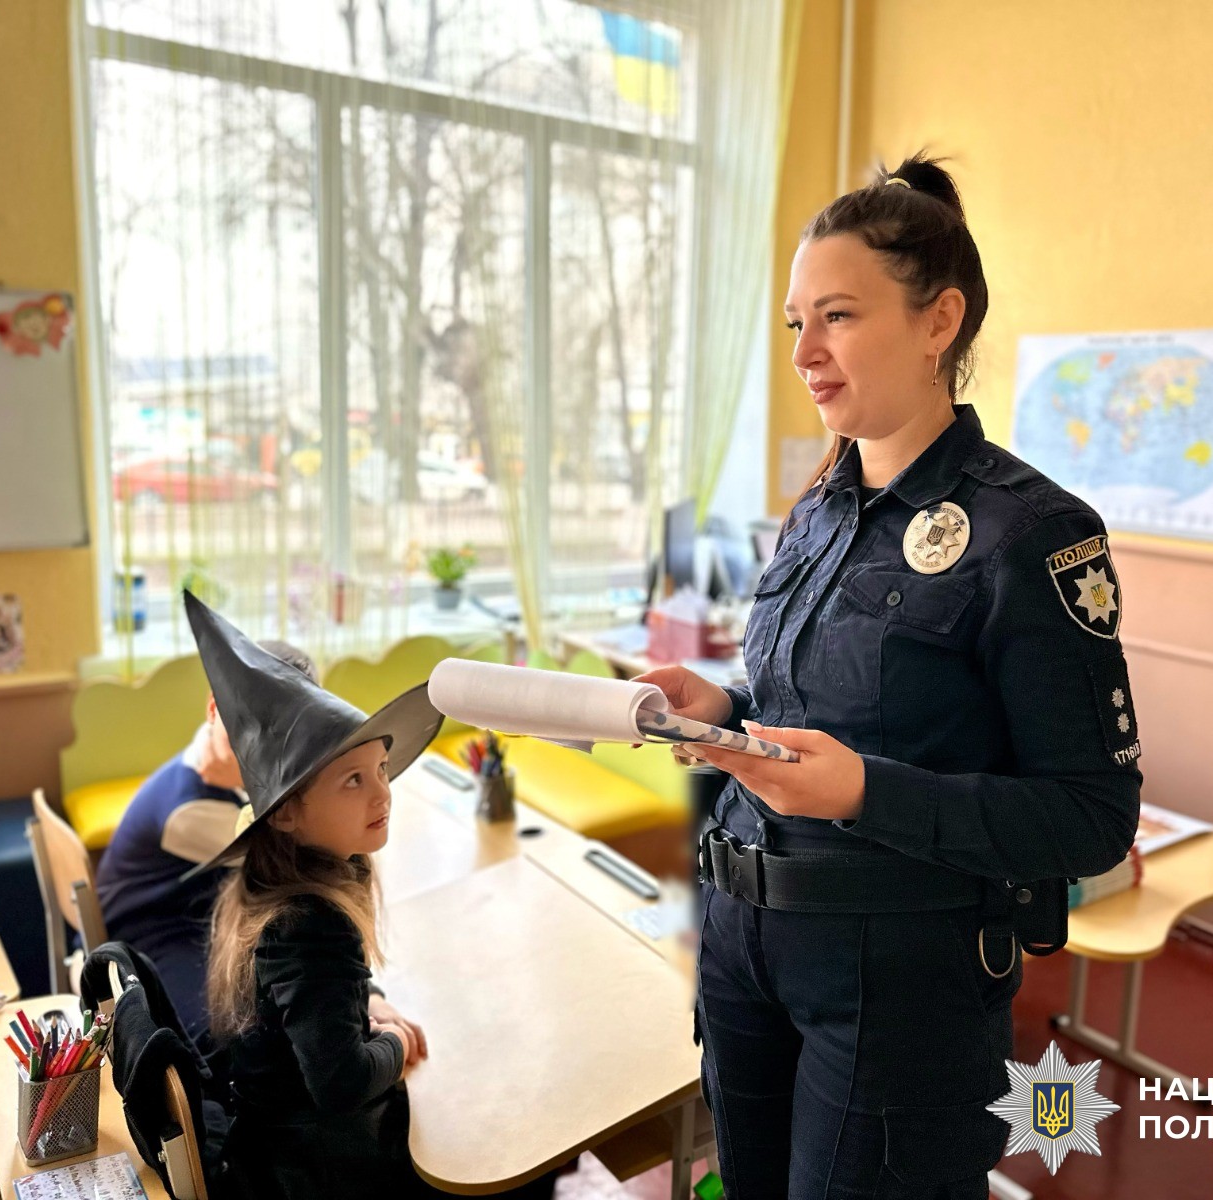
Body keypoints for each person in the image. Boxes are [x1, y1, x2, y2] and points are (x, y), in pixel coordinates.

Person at [637, 154, 1143, 1198]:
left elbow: (1091, 816)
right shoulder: (818, 509)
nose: (804, 353)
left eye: (837, 317)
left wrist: (865, 792)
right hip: (741, 941)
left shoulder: (1031, 533)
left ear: (937, 321)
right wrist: (722, 708)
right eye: (796, 323)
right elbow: (814, 703)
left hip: (899, 979)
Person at [179, 593, 556, 1200]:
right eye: (352, 780)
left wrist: (371, 1000)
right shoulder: (308, 923)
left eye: (380, 769)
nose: (382, 794)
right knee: (523, 1154)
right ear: (286, 814)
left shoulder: (269, 888)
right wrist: (396, 1042)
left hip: (281, 1152)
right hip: (317, 1174)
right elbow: (342, 1084)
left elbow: (311, 997)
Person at [94, 637, 319, 1051]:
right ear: (215, 709)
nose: (262, 746)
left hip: (206, 915)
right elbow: (302, 869)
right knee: (231, 1040)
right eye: (248, 724)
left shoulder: (222, 768)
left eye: (282, 732)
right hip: (158, 932)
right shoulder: (189, 810)